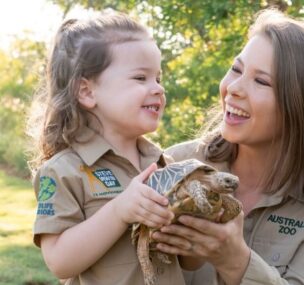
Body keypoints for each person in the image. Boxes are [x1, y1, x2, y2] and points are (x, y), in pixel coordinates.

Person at [151, 9, 304, 285]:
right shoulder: (175, 163)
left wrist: (235, 262)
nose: (233, 88)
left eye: (261, 81)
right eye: (236, 69)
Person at [28, 12, 189, 284]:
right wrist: (119, 210)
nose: (158, 89)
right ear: (87, 92)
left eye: (158, 79)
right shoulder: (64, 170)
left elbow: (188, 262)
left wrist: (196, 229)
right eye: (140, 78)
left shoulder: (164, 164)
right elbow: (59, 262)